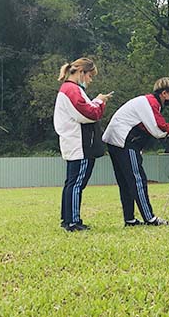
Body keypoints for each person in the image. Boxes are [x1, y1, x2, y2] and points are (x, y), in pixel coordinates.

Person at [103, 77, 169, 226]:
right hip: (125, 142)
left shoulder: (145, 101)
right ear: (164, 93)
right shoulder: (150, 104)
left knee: (125, 182)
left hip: (115, 141)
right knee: (137, 180)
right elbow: (159, 130)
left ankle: (130, 219)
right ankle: (149, 218)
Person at [53, 57, 111, 232]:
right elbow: (88, 114)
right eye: (90, 76)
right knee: (77, 183)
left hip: (74, 142)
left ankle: (67, 219)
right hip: (79, 144)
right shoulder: (72, 90)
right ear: (81, 72)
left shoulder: (68, 89)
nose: (90, 80)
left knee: (72, 182)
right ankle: (73, 222)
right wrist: (99, 101)